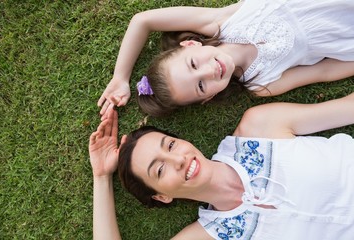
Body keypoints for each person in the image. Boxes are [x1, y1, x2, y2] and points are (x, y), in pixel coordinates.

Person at [89, 93, 354, 239]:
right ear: (162, 195)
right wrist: (101, 177)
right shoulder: (211, 236)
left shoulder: (259, 127)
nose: (179, 159)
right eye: (160, 170)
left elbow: (347, 108)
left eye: (170, 145)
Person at [98, 0, 354, 117]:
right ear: (208, 97)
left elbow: (143, 20)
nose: (209, 72)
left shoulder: (220, 21)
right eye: (201, 86)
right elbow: (323, 72)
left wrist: (120, 77)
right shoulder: (260, 83)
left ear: (190, 44)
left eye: (193, 64)